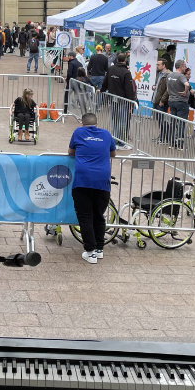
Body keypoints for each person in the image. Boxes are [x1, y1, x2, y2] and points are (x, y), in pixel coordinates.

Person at [69, 112, 117, 264]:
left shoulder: (78, 132)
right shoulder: (106, 134)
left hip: (82, 180)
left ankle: (90, 252)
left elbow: (70, 152)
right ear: (96, 123)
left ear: (82, 123)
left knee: (85, 216)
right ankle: (99, 249)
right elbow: (113, 153)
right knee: (98, 215)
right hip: (102, 181)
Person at [100, 52, 137, 148]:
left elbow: (105, 81)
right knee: (122, 121)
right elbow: (129, 88)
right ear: (125, 61)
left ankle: (115, 140)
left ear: (117, 60)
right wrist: (131, 103)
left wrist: (102, 90)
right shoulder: (126, 72)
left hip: (112, 98)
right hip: (123, 100)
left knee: (114, 120)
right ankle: (121, 142)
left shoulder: (111, 69)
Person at [164, 59, 191, 148]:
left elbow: (167, 89)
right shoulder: (181, 76)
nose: (185, 68)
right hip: (181, 102)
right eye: (184, 66)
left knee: (173, 122)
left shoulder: (169, 75)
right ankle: (179, 143)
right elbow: (187, 85)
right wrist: (185, 91)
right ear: (181, 66)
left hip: (172, 100)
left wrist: (172, 93)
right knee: (181, 123)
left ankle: (172, 142)